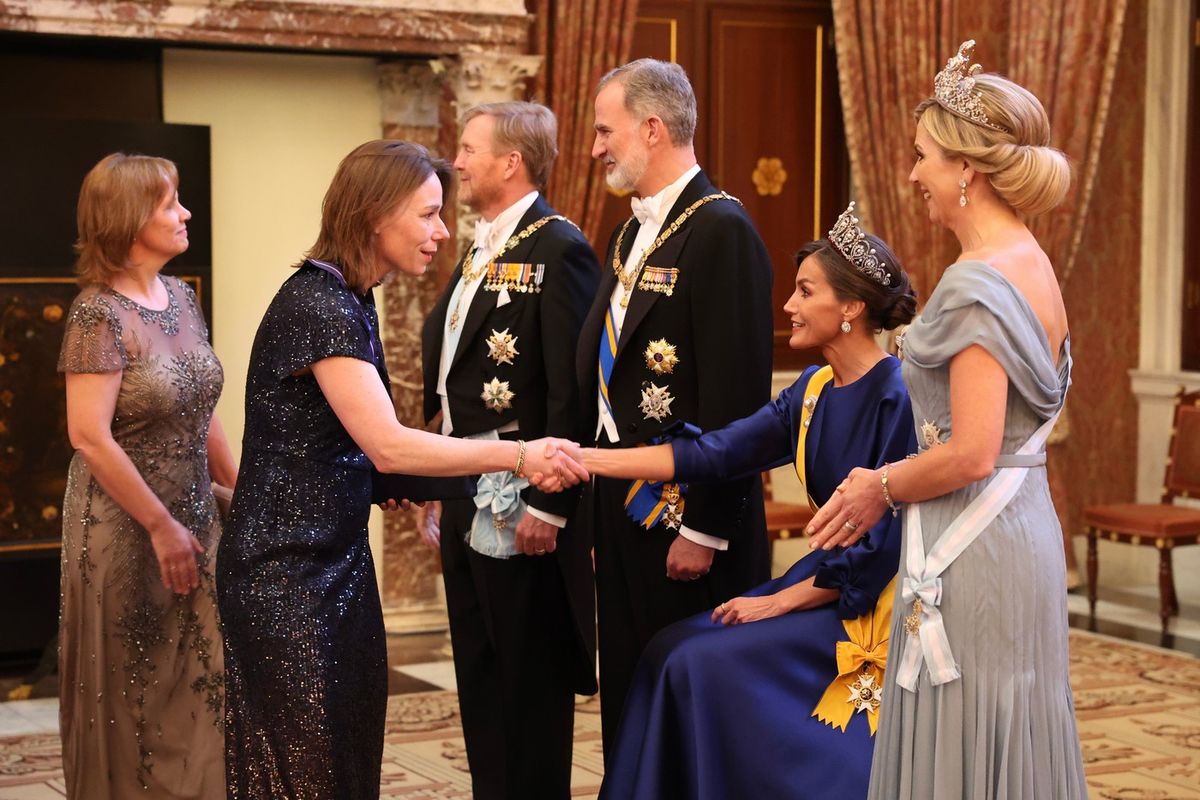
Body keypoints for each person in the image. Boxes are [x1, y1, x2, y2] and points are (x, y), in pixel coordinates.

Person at [216, 140, 587, 800]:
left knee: (346, 759)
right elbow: (386, 444)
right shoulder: (318, 306)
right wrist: (521, 454)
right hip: (285, 574)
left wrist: (418, 488)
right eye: (427, 215)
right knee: (308, 771)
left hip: (334, 561)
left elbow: (352, 450)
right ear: (375, 214)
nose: (442, 232)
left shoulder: (351, 298)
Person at [807, 41, 1087, 798]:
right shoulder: (1032, 261)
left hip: (976, 549)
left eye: (922, 155)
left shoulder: (977, 283)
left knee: (969, 732)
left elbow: (970, 453)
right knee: (1008, 735)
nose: (912, 173)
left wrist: (877, 485)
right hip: (1019, 530)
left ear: (966, 169)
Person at [573, 206, 917, 799]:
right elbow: (713, 453)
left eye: (805, 291)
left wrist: (777, 603)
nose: (787, 305)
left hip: (873, 602)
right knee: (668, 650)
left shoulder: (899, 395)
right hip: (823, 580)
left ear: (851, 308)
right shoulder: (810, 392)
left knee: (699, 664)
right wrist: (585, 458)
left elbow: (882, 550)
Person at [579, 57, 776, 752]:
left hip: (684, 514)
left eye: (606, 131)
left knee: (690, 712)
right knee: (631, 693)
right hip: (624, 503)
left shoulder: (721, 231)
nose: (597, 146)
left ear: (652, 129)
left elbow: (740, 397)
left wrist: (708, 527)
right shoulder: (631, 233)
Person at [417, 102, 600, 800]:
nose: (457, 162)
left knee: (527, 683)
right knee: (482, 671)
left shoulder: (558, 247)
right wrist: (432, 480)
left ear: (510, 162)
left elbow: (569, 390)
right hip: (467, 485)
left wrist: (550, 506)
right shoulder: (484, 242)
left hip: (521, 495)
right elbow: (452, 376)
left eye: (469, 149)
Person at [58, 152, 235, 799]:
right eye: (170, 203)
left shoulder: (183, 297)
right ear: (131, 218)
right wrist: (161, 528)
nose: (185, 213)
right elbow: (88, 436)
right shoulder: (95, 314)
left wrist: (238, 491)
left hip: (194, 516)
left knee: (205, 680)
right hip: (124, 531)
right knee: (134, 694)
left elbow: (202, 407)